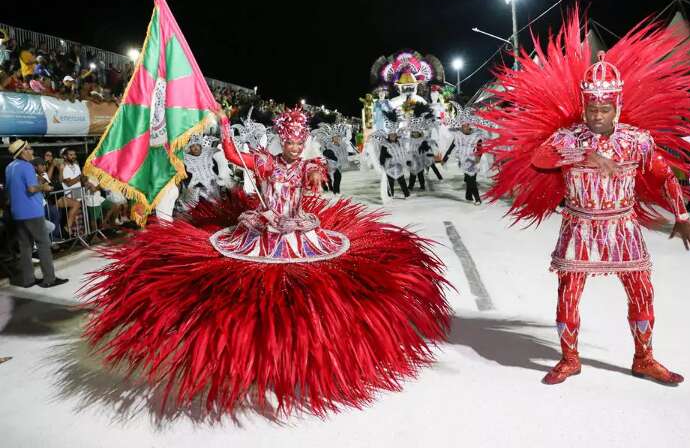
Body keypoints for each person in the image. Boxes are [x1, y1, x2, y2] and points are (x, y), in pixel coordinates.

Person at [81, 107, 450, 417]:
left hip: (295, 232)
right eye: (288, 141)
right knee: (251, 287)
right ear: (280, 140)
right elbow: (231, 156)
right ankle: (254, 355)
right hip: (263, 229)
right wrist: (224, 127)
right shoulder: (265, 163)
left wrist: (317, 175)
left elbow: (314, 175)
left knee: (304, 287)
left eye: (298, 142)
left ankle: (300, 352)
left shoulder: (307, 164)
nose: (293, 147)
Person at [482, 11, 690, 387]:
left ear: (617, 106)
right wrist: (582, 156)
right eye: (592, 108)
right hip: (579, 224)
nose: (597, 114)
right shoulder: (567, 137)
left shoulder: (636, 139)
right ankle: (569, 359)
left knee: (641, 289)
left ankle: (644, 358)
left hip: (623, 225)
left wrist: (682, 215)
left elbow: (663, 174)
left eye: (604, 108)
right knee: (568, 292)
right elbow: (540, 159)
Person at [4, 140, 66, 288]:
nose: (32, 152)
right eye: (29, 149)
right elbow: (31, 189)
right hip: (32, 212)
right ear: (23, 152)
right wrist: (44, 187)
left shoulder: (9, 167)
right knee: (44, 244)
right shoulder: (26, 166)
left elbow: (10, 189)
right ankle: (49, 279)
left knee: (25, 247)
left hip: (17, 213)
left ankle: (28, 280)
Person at [442, 105, 485, 204]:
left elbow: (480, 147)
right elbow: (452, 147)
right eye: (463, 126)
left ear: (470, 125)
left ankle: (477, 199)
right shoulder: (458, 135)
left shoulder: (476, 135)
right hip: (463, 160)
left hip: (472, 160)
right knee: (469, 179)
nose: (465, 127)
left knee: (471, 179)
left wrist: (478, 156)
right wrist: (445, 158)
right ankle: (468, 195)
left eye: (466, 125)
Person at [376, 110, 411, 199]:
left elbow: (404, 153)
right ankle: (390, 195)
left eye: (394, 135)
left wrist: (407, 161)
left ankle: (406, 194)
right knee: (390, 181)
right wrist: (382, 163)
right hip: (389, 166)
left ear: (396, 135)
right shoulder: (385, 145)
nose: (392, 137)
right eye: (391, 135)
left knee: (401, 180)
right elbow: (382, 155)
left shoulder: (399, 143)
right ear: (388, 136)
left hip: (398, 165)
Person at [60, 148, 83, 235]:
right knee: (74, 216)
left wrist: (83, 176)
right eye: (71, 155)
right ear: (65, 156)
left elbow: (80, 180)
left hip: (79, 192)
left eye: (74, 154)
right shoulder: (63, 167)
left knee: (79, 217)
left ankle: (79, 235)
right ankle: (70, 234)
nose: (74, 156)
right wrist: (79, 177)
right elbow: (69, 183)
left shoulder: (77, 166)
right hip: (70, 193)